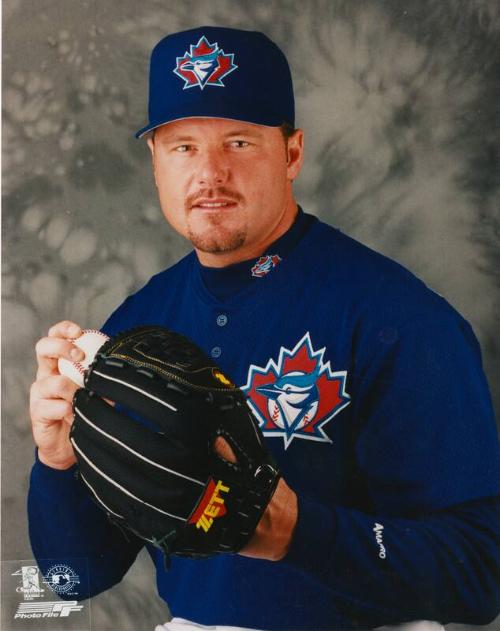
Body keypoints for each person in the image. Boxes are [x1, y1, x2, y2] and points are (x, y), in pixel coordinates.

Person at [28, 26, 500, 631]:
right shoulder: (138, 328)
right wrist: (58, 461)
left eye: (240, 141)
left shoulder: (400, 319)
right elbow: (76, 578)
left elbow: (480, 574)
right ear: (155, 163)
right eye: (182, 147)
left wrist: (299, 533)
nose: (211, 173)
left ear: (292, 152)